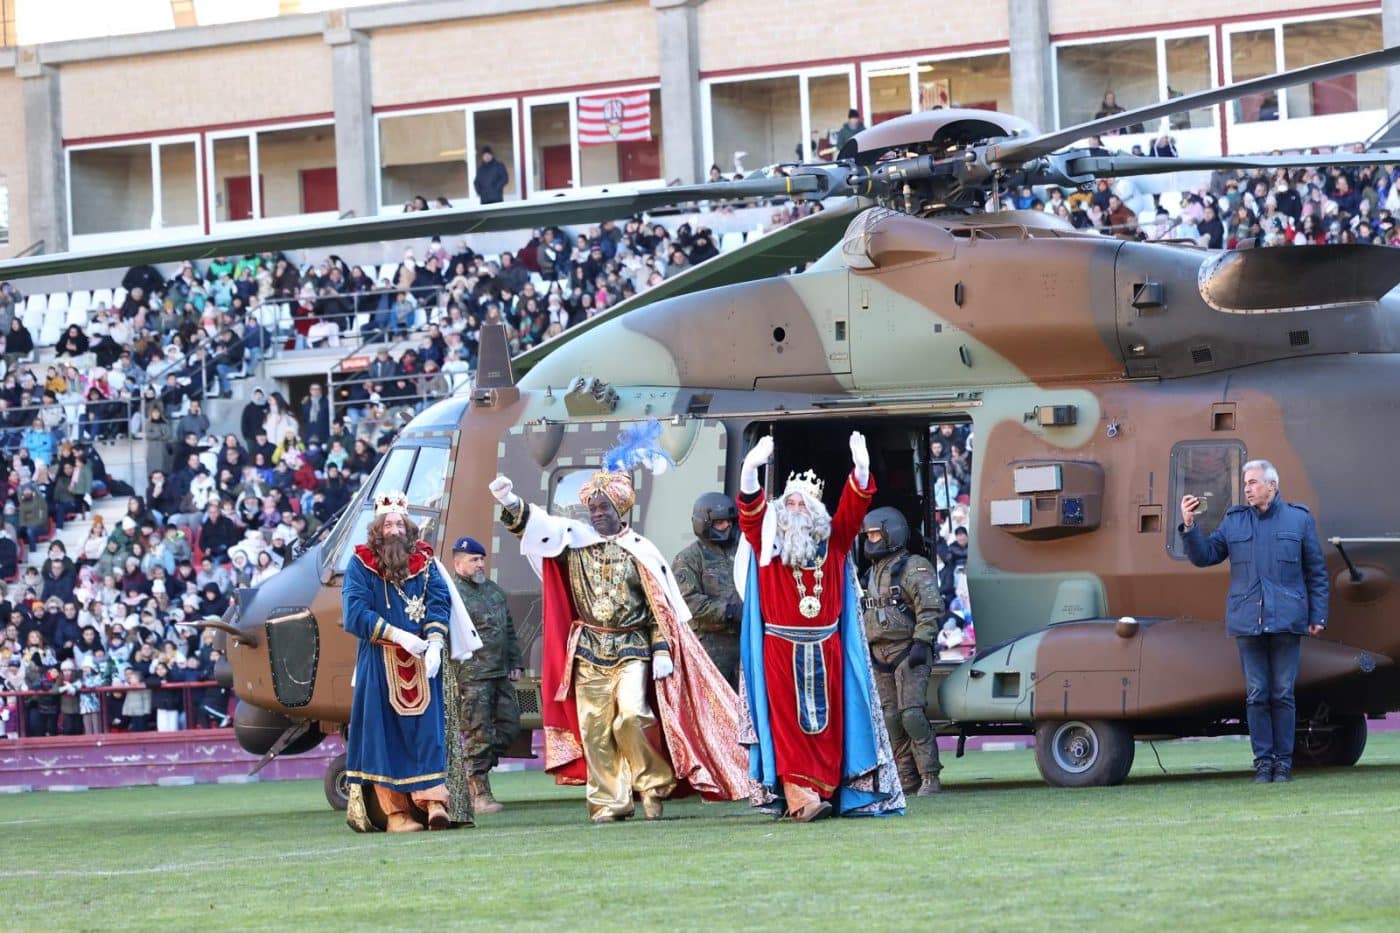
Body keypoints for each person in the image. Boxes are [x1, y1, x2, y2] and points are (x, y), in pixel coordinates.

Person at [489, 421, 749, 823]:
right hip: (589, 649)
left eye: (603, 508)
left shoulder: (641, 551)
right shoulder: (574, 542)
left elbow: (661, 608)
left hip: (633, 647)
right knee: (594, 727)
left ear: (620, 509)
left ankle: (651, 784)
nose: (596, 514)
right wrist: (510, 503)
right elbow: (540, 529)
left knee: (632, 715)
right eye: (592, 508)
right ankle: (610, 800)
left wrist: (663, 648)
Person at [734, 432, 903, 821]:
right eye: (789, 502)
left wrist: (860, 468)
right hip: (779, 649)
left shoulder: (836, 543)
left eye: (803, 503)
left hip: (826, 647)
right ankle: (799, 798)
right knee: (788, 725)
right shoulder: (767, 544)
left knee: (828, 728)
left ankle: (823, 791)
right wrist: (749, 469)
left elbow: (853, 510)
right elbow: (750, 511)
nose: (795, 507)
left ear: (816, 512)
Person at [1179, 459, 1328, 784]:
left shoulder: (1298, 520)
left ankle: (1284, 764)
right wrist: (1189, 525)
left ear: (1272, 485)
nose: (1247, 487)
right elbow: (1205, 556)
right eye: (1245, 482)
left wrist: (1318, 615)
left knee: (1283, 694)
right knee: (1257, 693)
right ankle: (1264, 764)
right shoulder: (1234, 522)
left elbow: (1316, 571)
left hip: (1287, 620)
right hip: (1248, 620)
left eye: (1253, 482)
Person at [341, 491, 455, 832]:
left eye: (399, 523)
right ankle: (396, 814)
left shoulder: (426, 562)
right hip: (379, 661)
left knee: (427, 734)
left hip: (423, 663)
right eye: (387, 523)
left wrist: (435, 642)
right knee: (383, 737)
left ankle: (434, 803)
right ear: (377, 529)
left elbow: (439, 602)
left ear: (409, 527)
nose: (394, 528)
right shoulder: (359, 565)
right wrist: (398, 635)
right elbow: (354, 613)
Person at [859, 507, 944, 796]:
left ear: (890, 533)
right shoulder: (870, 573)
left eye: (874, 534)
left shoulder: (914, 567)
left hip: (908, 651)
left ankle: (930, 775)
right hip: (878, 653)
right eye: (867, 535)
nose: (870, 540)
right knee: (890, 719)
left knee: (911, 716)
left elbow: (929, 607)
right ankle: (906, 778)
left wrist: (922, 641)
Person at [448, 535, 522, 815]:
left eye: (481, 560)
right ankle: (480, 795)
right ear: (458, 564)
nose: (480, 565)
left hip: (500, 673)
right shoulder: (452, 595)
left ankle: (468, 771)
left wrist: (515, 662)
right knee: (479, 733)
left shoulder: (493, 591)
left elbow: (509, 630)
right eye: (473, 560)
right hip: (471, 677)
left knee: (510, 727)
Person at [671, 493, 743, 687]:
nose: (726, 526)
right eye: (720, 523)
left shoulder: (744, 551)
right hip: (710, 645)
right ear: (704, 524)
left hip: (745, 641)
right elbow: (688, 601)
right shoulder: (688, 559)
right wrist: (728, 611)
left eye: (729, 521)